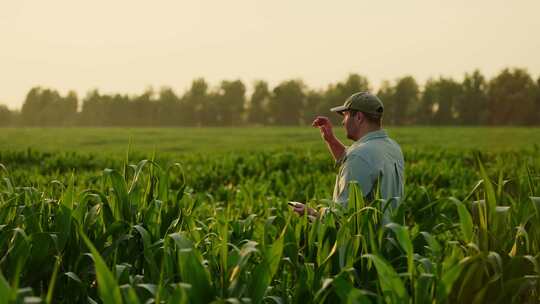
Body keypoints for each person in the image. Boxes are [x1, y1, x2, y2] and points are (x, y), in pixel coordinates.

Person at [292, 92, 404, 219]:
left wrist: (312, 213)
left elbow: (341, 215)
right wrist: (331, 140)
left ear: (359, 117)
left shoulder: (360, 156)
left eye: (345, 115)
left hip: (368, 238)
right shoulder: (392, 147)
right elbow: (360, 160)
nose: (343, 122)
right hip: (390, 236)